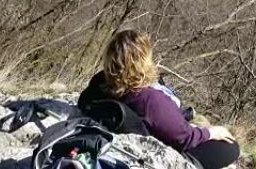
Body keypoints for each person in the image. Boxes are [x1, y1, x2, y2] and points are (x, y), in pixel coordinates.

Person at [78, 30, 239, 169]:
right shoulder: (148, 99)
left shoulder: (101, 82)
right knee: (231, 147)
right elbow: (184, 138)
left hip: (132, 128)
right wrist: (211, 132)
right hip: (162, 147)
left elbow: (83, 101)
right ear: (143, 61)